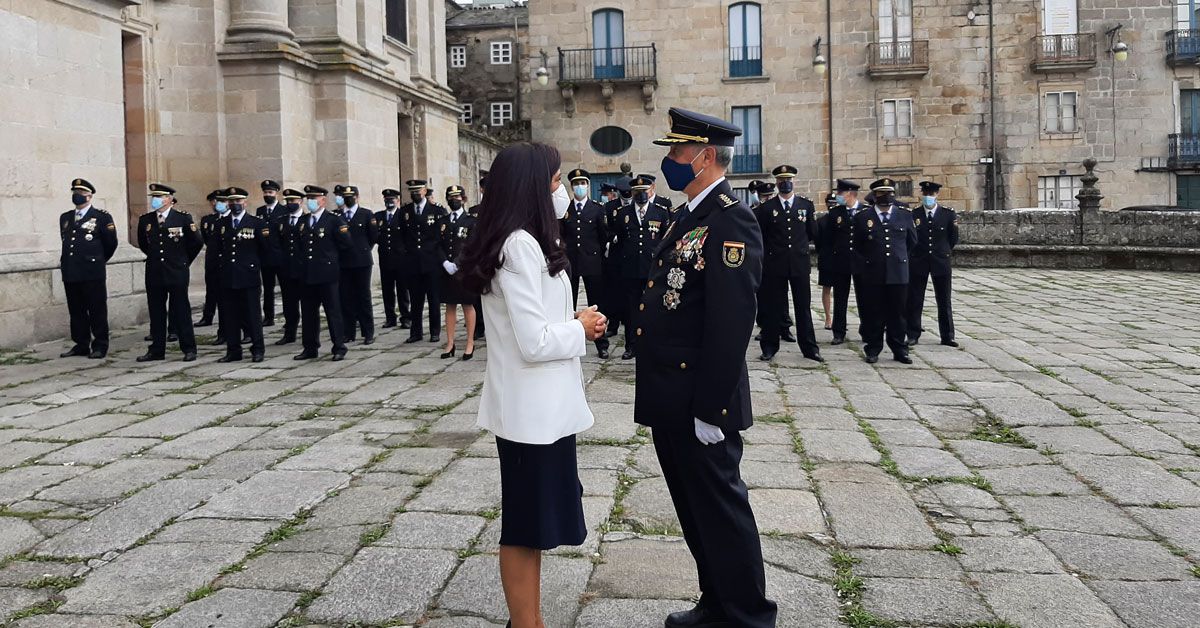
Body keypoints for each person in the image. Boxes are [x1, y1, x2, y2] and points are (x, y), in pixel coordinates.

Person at [635, 107, 777, 628]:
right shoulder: (687, 214)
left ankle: (749, 616)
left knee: (721, 510)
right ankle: (717, 602)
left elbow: (730, 322)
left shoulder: (731, 218)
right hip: (671, 392)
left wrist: (712, 409)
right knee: (696, 512)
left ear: (706, 156)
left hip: (699, 396)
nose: (669, 160)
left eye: (677, 152)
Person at [457, 142, 607, 628]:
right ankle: (526, 623)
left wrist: (572, 319)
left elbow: (537, 321)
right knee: (524, 525)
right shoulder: (518, 245)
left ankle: (531, 619)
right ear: (534, 187)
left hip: (544, 408)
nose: (560, 190)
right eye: (555, 180)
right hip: (530, 413)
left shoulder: (527, 239)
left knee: (536, 522)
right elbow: (534, 341)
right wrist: (578, 328)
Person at [756, 165, 822, 362]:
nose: (785, 183)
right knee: (772, 307)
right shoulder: (767, 208)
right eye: (781, 180)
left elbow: (812, 232)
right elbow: (762, 235)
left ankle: (809, 348)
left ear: (794, 181)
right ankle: (769, 346)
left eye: (788, 180)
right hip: (775, 264)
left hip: (799, 264)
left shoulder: (805, 205)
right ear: (776, 183)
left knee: (803, 307)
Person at [853, 178, 917, 364]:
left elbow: (912, 243)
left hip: (898, 272)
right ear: (875, 195)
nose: (887, 197)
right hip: (873, 272)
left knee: (898, 313)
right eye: (882, 193)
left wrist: (899, 260)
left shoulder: (904, 215)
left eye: (889, 193)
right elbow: (858, 245)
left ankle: (899, 349)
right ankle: (873, 348)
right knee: (874, 313)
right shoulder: (863, 217)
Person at [136, 183, 202, 362]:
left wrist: (183, 261)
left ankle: (189, 348)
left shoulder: (182, 218)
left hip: (177, 271)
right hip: (155, 272)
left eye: (159, 197)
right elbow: (144, 244)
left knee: (181, 310)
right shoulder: (146, 220)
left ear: (169, 199)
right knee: (156, 312)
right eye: (153, 197)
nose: (155, 200)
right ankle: (157, 349)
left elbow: (196, 242)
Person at [59, 178, 118, 359]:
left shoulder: (101, 217)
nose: (77, 196)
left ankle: (100, 344)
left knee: (96, 309)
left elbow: (111, 244)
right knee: (76, 310)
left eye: (81, 193)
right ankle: (81, 343)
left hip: (92, 271)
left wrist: (97, 260)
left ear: (89, 196)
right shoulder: (66, 217)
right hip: (71, 271)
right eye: (75, 193)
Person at [616, 175, 671, 360]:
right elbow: (621, 241)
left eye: (645, 191)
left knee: (652, 307)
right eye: (637, 192)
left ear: (652, 190)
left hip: (651, 269)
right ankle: (631, 345)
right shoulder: (623, 214)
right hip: (631, 270)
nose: (641, 195)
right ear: (632, 193)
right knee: (631, 309)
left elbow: (665, 241)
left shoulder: (661, 213)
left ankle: (652, 343)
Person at [295, 185, 352, 361]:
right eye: (309, 198)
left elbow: (346, 245)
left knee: (333, 312)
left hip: (327, 274)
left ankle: (339, 347)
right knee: (309, 313)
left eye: (315, 198)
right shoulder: (303, 221)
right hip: (308, 274)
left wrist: (333, 263)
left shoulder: (333, 220)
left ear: (323, 200)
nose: (311, 201)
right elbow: (298, 246)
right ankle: (310, 347)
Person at [213, 187, 268, 363]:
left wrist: (257, 267)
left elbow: (265, 249)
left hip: (248, 275)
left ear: (245, 202)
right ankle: (233, 350)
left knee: (252, 315)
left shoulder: (255, 223)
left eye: (238, 201)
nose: (235, 204)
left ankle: (257, 349)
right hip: (228, 275)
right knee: (230, 315)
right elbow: (215, 250)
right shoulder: (221, 224)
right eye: (232, 201)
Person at [561, 169, 611, 359]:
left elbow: (603, 235)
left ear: (588, 186)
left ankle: (601, 342)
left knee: (596, 304)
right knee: (568, 303)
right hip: (571, 262)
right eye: (576, 184)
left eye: (583, 183)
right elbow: (562, 235)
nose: (579, 187)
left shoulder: (597, 209)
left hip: (592, 262)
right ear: (572, 187)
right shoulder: (565, 210)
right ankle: (568, 340)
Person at [907, 181, 959, 347]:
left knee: (944, 299)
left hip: (940, 260)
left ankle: (947, 335)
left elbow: (953, 238)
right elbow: (910, 238)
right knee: (915, 299)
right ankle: (913, 334)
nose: (928, 197)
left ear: (937, 195)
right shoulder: (914, 214)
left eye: (931, 194)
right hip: (919, 260)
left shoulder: (948, 214)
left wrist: (943, 252)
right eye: (926, 194)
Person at [400, 179, 448, 344]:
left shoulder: (437, 211)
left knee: (433, 298)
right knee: (416, 300)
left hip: (431, 262)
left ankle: (435, 331)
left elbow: (441, 238)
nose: (415, 194)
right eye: (412, 191)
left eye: (418, 191)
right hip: (413, 263)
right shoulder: (405, 211)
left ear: (425, 191)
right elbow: (402, 237)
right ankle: (416, 332)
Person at [438, 185, 479, 360]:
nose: (453, 200)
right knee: (450, 306)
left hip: (464, 270)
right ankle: (450, 343)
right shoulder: (443, 221)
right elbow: (437, 244)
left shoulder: (471, 221)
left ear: (463, 199)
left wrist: (457, 263)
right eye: (450, 197)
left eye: (457, 197)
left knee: (467, 305)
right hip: (446, 270)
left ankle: (470, 342)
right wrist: (444, 262)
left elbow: (472, 246)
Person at [335, 184, 379, 345]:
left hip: (361, 261)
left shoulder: (366, 214)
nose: (348, 199)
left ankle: (368, 332)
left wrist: (362, 249)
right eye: (346, 197)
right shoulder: (337, 215)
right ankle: (349, 332)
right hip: (343, 262)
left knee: (363, 297)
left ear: (357, 197)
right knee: (345, 298)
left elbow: (373, 236)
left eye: (351, 197)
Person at [823, 179, 865, 345]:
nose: (838, 195)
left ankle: (866, 330)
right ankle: (838, 332)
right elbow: (828, 239)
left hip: (861, 262)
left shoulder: (865, 212)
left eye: (841, 193)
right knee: (840, 298)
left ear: (850, 194)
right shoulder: (835, 214)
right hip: (841, 262)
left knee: (864, 298)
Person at [271, 188, 306, 345]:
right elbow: (275, 244)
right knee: (289, 303)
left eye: (294, 201)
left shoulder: (307, 220)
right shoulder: (281, 221)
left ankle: (308, 333)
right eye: (289, 201)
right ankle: (289, 332)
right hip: (286, 269)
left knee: (307, 304)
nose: (291, 203)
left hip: (304, 269)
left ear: (301, 202)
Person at [601, 176, 632, 340]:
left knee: (629, 292)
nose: (627, 196)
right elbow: (605, 228)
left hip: (631, 255)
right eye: (624, 194)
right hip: (615, 254)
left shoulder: (636, 206)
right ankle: (613, 324)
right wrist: (612, 237)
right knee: (613, 291)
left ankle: (629, 323)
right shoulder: (609, 207)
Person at [376, 188, 411, 330]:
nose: (389, 202)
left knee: (402, 290)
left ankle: (406, 317)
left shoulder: (403, 215)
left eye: (392, 199)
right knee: (387, 290)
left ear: (397, 200)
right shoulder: (378, 216)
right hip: (385, 258)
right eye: (386, 199)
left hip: (401, 259)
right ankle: (390, 317)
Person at [255, 179, 285, 326]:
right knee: (267, 289)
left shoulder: (283, 211)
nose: (268, 195)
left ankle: (288, 315)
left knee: (286, 289)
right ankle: (268, 316)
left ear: (276, 194)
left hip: (280, 257)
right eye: (266, 192)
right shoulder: (260, 211)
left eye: (270, 192)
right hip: (265, 257)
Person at [196, 190, 224, 331]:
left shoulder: (229, 219)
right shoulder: (207, 220)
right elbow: (206, 240)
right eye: (213, 201)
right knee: (211, 289)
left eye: (218, 201)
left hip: (226, 261)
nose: (215, 204)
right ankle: (208, 316)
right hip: (212, 259)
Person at [816, 192, 838, 330]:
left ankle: (837, 318)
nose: (832, 206)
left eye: (834, 203)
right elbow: (818, 242)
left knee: (841, 291)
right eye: (830, 203)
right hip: (827, 258)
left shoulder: (842, 219)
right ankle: (828, 317)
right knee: (826, 289)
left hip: (840, 259)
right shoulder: (822, 221)